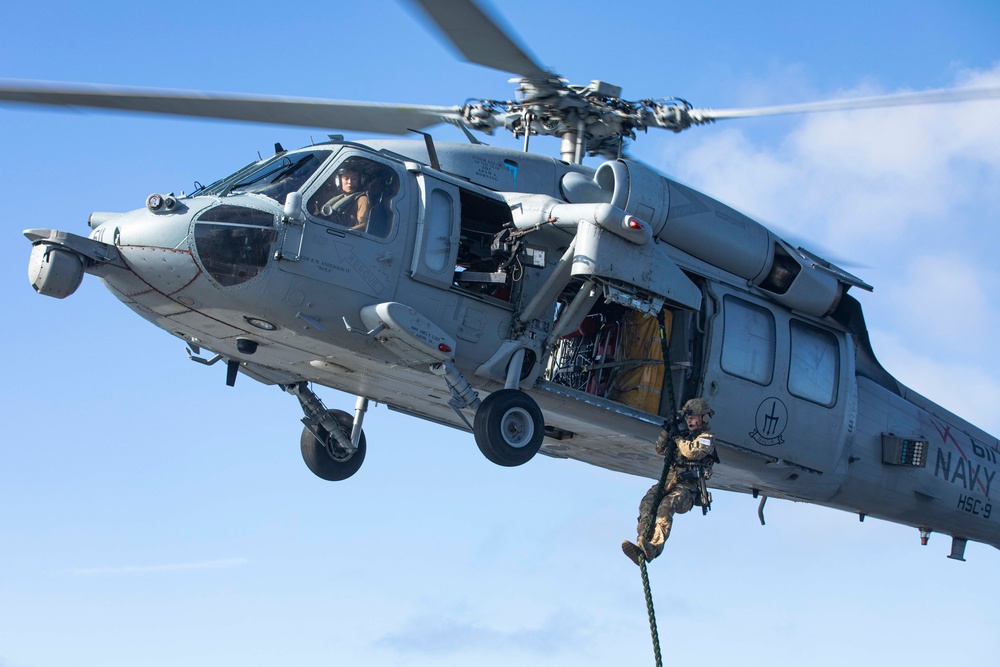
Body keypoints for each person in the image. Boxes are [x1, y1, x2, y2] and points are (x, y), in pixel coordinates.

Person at [622, 397, 717, 566]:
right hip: (668, 483)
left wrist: (677, 438)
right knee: (648, 502)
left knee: (666, 505)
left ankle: (655, 547)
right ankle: (643, 541)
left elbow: (691, 453)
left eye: (694, 418)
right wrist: (668, 430)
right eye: (688, 418)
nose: (690, 421)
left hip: (687, 490)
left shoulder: (706, 438)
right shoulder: (682, 435)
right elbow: (659, 448)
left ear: (704, 418)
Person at [317, 166, 370, 230]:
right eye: (346, 178)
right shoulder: (338, 199)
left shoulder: (362, 199)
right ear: (339, 181)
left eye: (354, 179)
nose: (350, 182)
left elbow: (364, 225)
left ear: (359, 181)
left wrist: (344, 231)